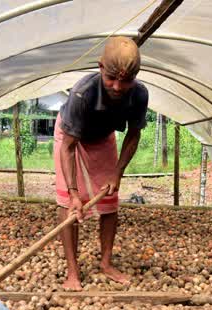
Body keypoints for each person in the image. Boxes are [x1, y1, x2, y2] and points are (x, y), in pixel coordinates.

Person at [53, 36, 149, 291]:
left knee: (108, 201)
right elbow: (68, 147)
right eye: (111, 79)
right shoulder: (82, 93)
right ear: (100, 67)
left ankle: (106, 263)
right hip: (69, 136)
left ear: (136, 76)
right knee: (69, 206)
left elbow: (133, 134)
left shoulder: (139, 94)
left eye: (126, 80)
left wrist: (117, 173)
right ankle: (73, 271)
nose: (118, 87)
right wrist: (74, 193)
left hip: (103, 136)